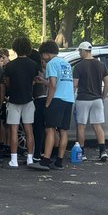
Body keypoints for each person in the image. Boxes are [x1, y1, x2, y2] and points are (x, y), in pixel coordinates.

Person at [31, 41, 75, 170]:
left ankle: (45, 160)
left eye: (42, 55)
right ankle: (59, 161)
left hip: (56, 99)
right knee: (63, 131)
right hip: (69, 99)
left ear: (46, 53)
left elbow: (53, 86)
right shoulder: (66, 63)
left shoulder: (51, 63)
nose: (42, 58)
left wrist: (48, 103)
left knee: (49, 129)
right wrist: (44, 81)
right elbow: (58, 83)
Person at [2, 36, 40, 168]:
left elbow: (7, 83)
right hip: (28, 99)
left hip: (14, 100)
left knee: (14, 129)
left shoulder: (10, 66)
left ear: (15, 48)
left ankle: (14, 159)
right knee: (29, 129)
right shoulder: (33, 65)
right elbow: (34, 81)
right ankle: (30, 158)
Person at [72, 41, 108, 162]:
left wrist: (71, 97)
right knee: (97, 126)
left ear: (84, 51)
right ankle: (103, 151)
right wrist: (102, 96)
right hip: (97, 99)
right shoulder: (101, 65)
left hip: (83, 99)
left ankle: (82, 152)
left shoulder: (79, 66)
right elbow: (107, 82)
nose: (79, 53)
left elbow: (75, 84)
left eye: (80, 51)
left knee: (81, 126)